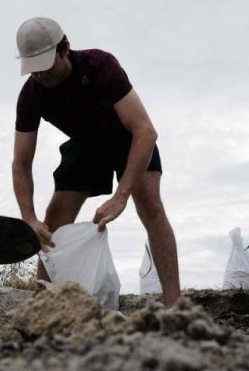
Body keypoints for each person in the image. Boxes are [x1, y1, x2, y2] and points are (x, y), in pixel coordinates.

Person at [11, 17, 180, 305]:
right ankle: (42, 298)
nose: (40, 75)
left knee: (150, 205)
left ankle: (176, 304)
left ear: (65, 49)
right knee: (55, 218)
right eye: (33, 69)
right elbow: (21, 162)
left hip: (128, 138)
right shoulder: (31, 94)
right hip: (86, 144)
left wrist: (120, 195)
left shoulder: (99, 66)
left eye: (45, 65)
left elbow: (145, 132)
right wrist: (28, 217)